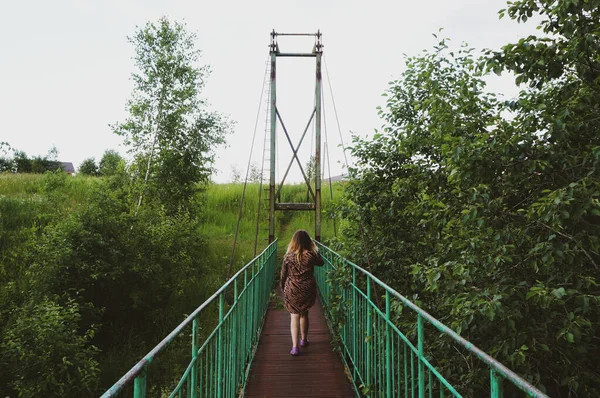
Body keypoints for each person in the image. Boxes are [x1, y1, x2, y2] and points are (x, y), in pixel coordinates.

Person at [280, 229, 324, 356]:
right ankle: (304, 340)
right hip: (307, 287)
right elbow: (321, 263)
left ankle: (295, 347)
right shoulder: (311, 255)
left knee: (294, 316)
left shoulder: (288, 256)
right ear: (308, 241)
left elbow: (283, 274)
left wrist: (283, 287)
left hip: (292, 287)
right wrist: (315, 249)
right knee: (304, 314)